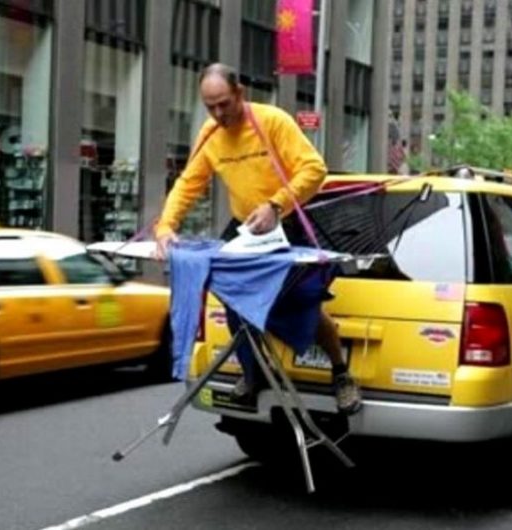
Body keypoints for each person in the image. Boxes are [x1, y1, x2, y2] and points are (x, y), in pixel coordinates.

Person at [155, 63, 362, 415]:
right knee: (234, 303)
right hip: (246, 226)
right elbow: (188, 184)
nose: (219, 114)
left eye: (224, 103)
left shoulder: (273, 121)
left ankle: (341, 374)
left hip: (288, 219)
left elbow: (315, 169)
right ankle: (253, 374)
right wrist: (165, 227)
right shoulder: (209, 134)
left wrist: (275, 205)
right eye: (210, 107)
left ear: (240, 94)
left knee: (303, 304)